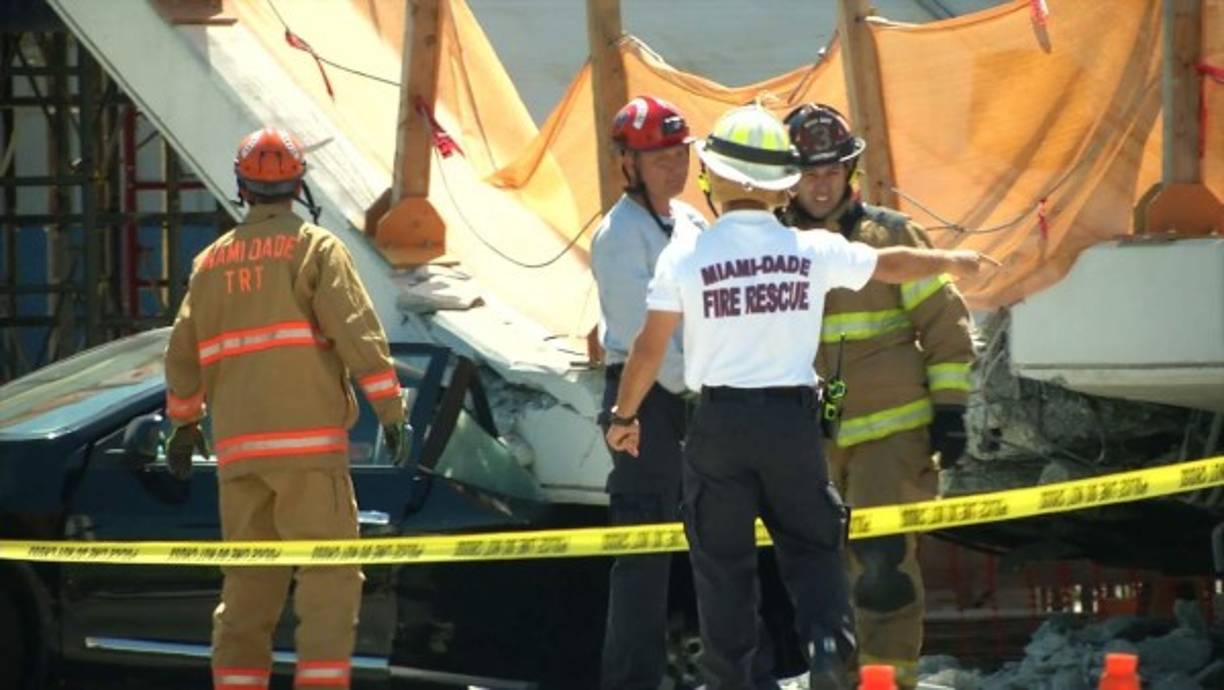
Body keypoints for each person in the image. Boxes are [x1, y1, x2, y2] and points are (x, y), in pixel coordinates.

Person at [604, 104, 995, 690]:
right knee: (815, 556)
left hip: (726, 425)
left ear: (716, 175)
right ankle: (829, 651)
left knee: (727, 570)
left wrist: (624, 415)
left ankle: (744, 679)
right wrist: (955, 260)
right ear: (784, 181)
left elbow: (648, 347)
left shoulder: (688, 252)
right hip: (796, 428)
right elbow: (891, 266)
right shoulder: (807, 249)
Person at [163, 127, 409, 690]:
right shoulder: (316, 249)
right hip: (308, 455)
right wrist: (392, 412)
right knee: (328, 585)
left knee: (247, 591)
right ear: (297, 185)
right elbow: (358, 336)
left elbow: (182, 354)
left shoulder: (209, 265)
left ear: (241, 187)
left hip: (239, 460)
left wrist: (183, 425)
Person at [780, 103, 976, 689]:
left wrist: (951, 412)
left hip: (892, 437)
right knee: (822, 573)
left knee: (883, 568)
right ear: (790, 178)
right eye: (810, 173)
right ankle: (832, 680)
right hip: (809, 443)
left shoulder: (890, 238)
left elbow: (945, 325)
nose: (821, 184)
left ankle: (888, 682)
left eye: (831, 172)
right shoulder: (775, 244)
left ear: (850, 173)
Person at [591, 95, 777, 690]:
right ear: (629, 165)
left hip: (699, 394)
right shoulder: (620, 237)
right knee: (643, 556)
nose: (673, 166)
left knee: (725, 545)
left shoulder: (693, 223)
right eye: (659, 157)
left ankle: (749, 675)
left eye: (680, 154)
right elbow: (648, 344)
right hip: (648, 402)